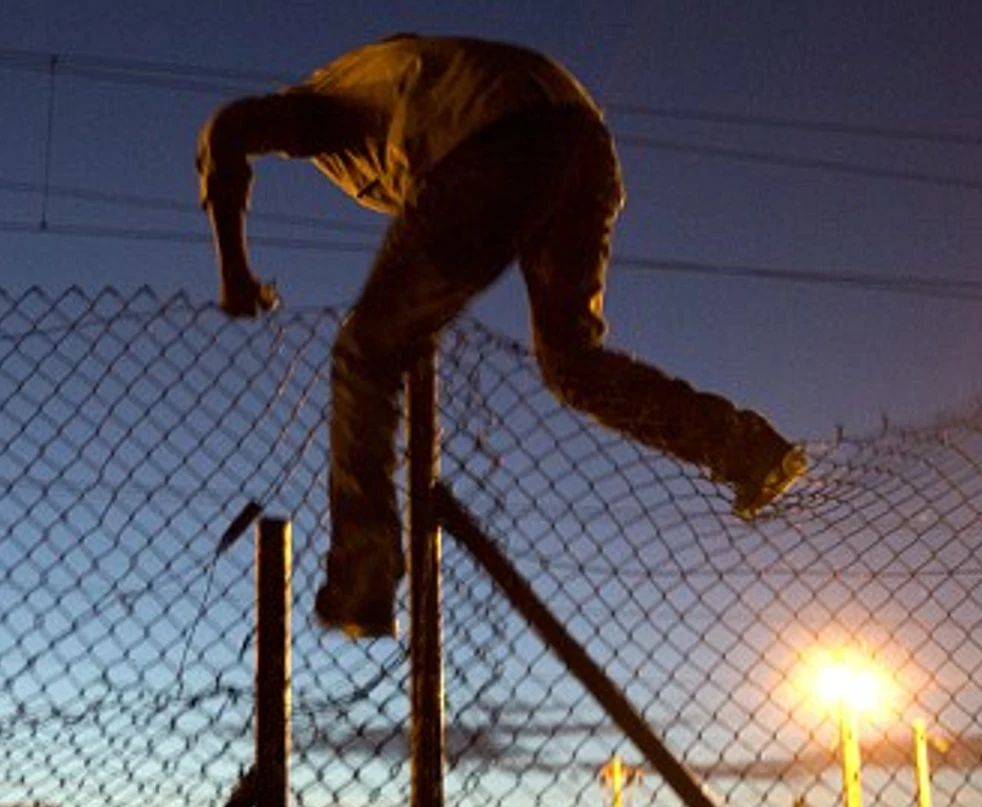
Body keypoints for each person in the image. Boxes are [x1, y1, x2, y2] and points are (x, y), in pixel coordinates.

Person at [197, 34, 805, 639]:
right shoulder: (400, 84)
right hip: (582, 143)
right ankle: (747, 451)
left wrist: (235, 275)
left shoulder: (324, 104)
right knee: (572, 364)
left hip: (492, 142)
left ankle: (364, 575)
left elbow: (225, 131)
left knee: (366, 352)